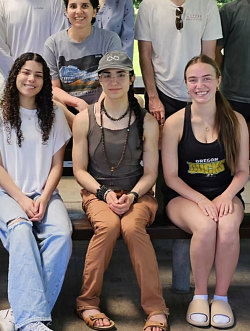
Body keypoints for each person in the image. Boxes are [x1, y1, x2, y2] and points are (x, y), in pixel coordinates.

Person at [73, 51, 168, 331]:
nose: (113, 81)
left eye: (120, 74)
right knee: (108, 225)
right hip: (97, 193)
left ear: (131, 78)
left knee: (133, 228)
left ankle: (156, 308)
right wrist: (103, 194)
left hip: (138, 193)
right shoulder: (85, 119)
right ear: (99, 79)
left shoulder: (147, 121)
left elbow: (151, 173)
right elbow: (79, 171)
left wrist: (133, 196)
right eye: (107, 75)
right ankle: (87, 302)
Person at [0, 53, 73, 331]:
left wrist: (44, 198)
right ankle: (32, 322)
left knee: (61, 234)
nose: (30, 79)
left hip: (45, 194)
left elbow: (58, 166)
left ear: (45, 81)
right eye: (25, 72)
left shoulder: (55, 115)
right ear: (14, 76)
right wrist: (22, 200)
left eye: (38, 75)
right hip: (5, 195)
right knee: (21, 230)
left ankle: (19, 315)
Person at [161, 55, 248, 329]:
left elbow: (243, 172)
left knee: (227, 226)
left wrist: (225, 197)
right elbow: (171, 177)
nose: (201, 85)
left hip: (225, 193)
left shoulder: (235, 121)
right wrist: (200, 199)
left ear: (218, 81)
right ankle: (199, 295)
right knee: (206, 226)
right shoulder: (175, 123)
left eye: (207, 78)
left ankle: (220, 296)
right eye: (193, 80)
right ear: (186, 85)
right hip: (184, 197)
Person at [137, 0, 222, 123]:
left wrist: (205, 91)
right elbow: (144, 55)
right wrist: (153, 97)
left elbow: (208, 55)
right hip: (162, 93)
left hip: (197, 92)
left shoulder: (207, 5)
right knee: (160, 145)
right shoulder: (149, 5)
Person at [43, 0, 122, 120]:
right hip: (69, 108)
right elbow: (54, 88)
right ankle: (82, 129)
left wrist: (97, 109)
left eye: (85, 6)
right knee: (51, 103)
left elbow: (113, 80)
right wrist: (78, 103)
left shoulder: (110, 39)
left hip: (104, 104)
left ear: (94, 11)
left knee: (136, 100)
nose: (78, 11)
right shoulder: (53, 44)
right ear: (66, 12)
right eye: (73, 6)